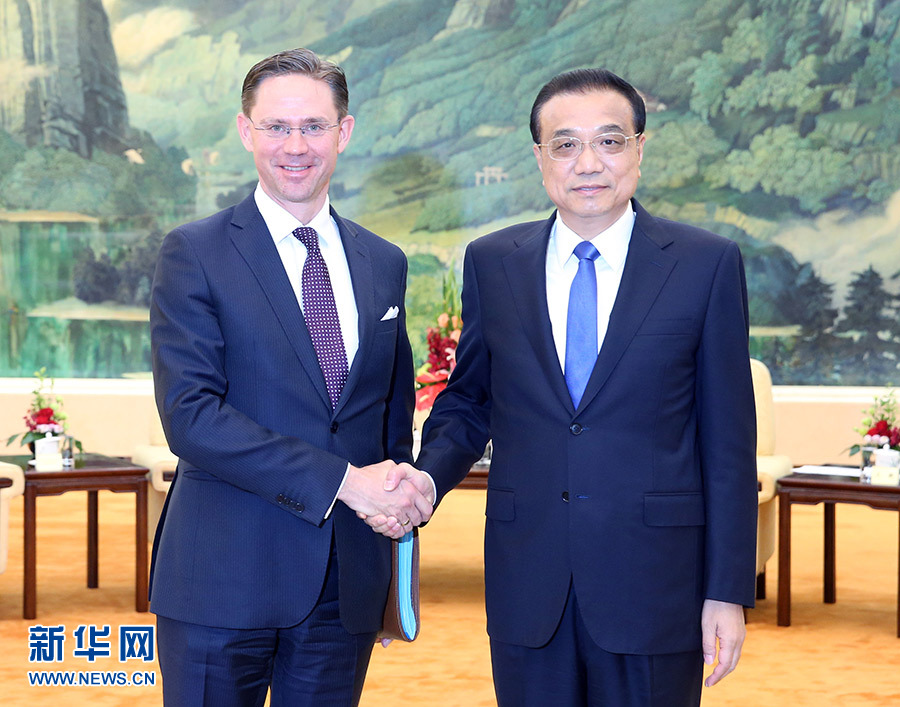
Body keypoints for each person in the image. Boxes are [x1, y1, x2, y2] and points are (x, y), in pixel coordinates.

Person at [379, 68, 758, 705]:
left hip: (655, 581)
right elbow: (470, 401)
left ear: (639, 148)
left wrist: (726, 591)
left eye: (609, 141)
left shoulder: (705, 264)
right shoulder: (493, 262)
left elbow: (728, 443)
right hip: (529, 577)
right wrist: (424, 482)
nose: (588, 163)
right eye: (565, 144)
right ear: (539, 158)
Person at [149, 48, 434, 706]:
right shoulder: (195, 252)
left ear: (344, 132)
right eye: (277, 127)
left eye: (313, 126)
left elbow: (388, 415)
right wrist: (345, 482)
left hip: (344, 584)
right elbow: (192, 417)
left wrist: (397, 508)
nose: (296, 146)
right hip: (222, 578)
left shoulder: (383, 260)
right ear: (246, 131)